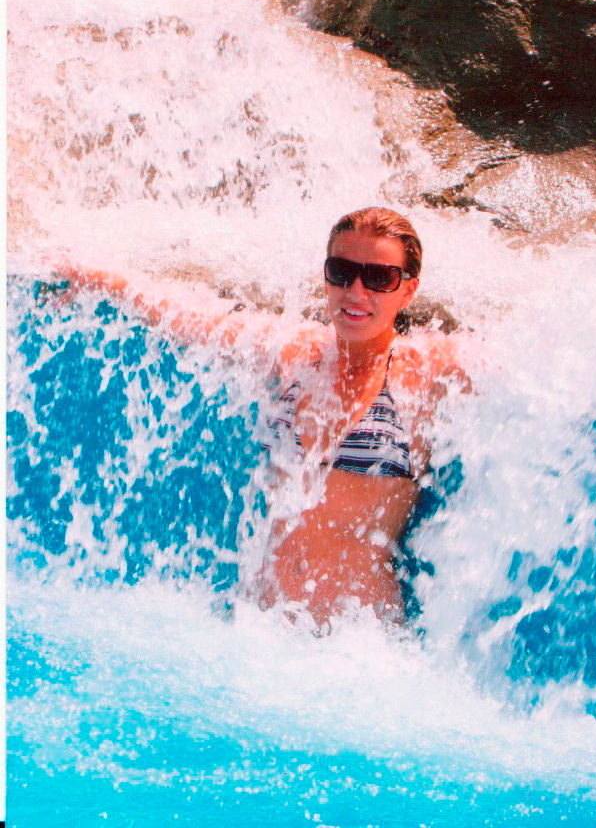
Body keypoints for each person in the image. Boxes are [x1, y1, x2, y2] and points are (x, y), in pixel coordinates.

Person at [54, 207, 469, 627]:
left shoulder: (427, 370)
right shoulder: (295, 352)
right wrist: (103, 280)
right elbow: (194, 321)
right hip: (261, 628)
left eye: (379, 277)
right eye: (341, 272)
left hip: (356, 638)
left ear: (408, 289)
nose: (356, 291)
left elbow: (508, 366)